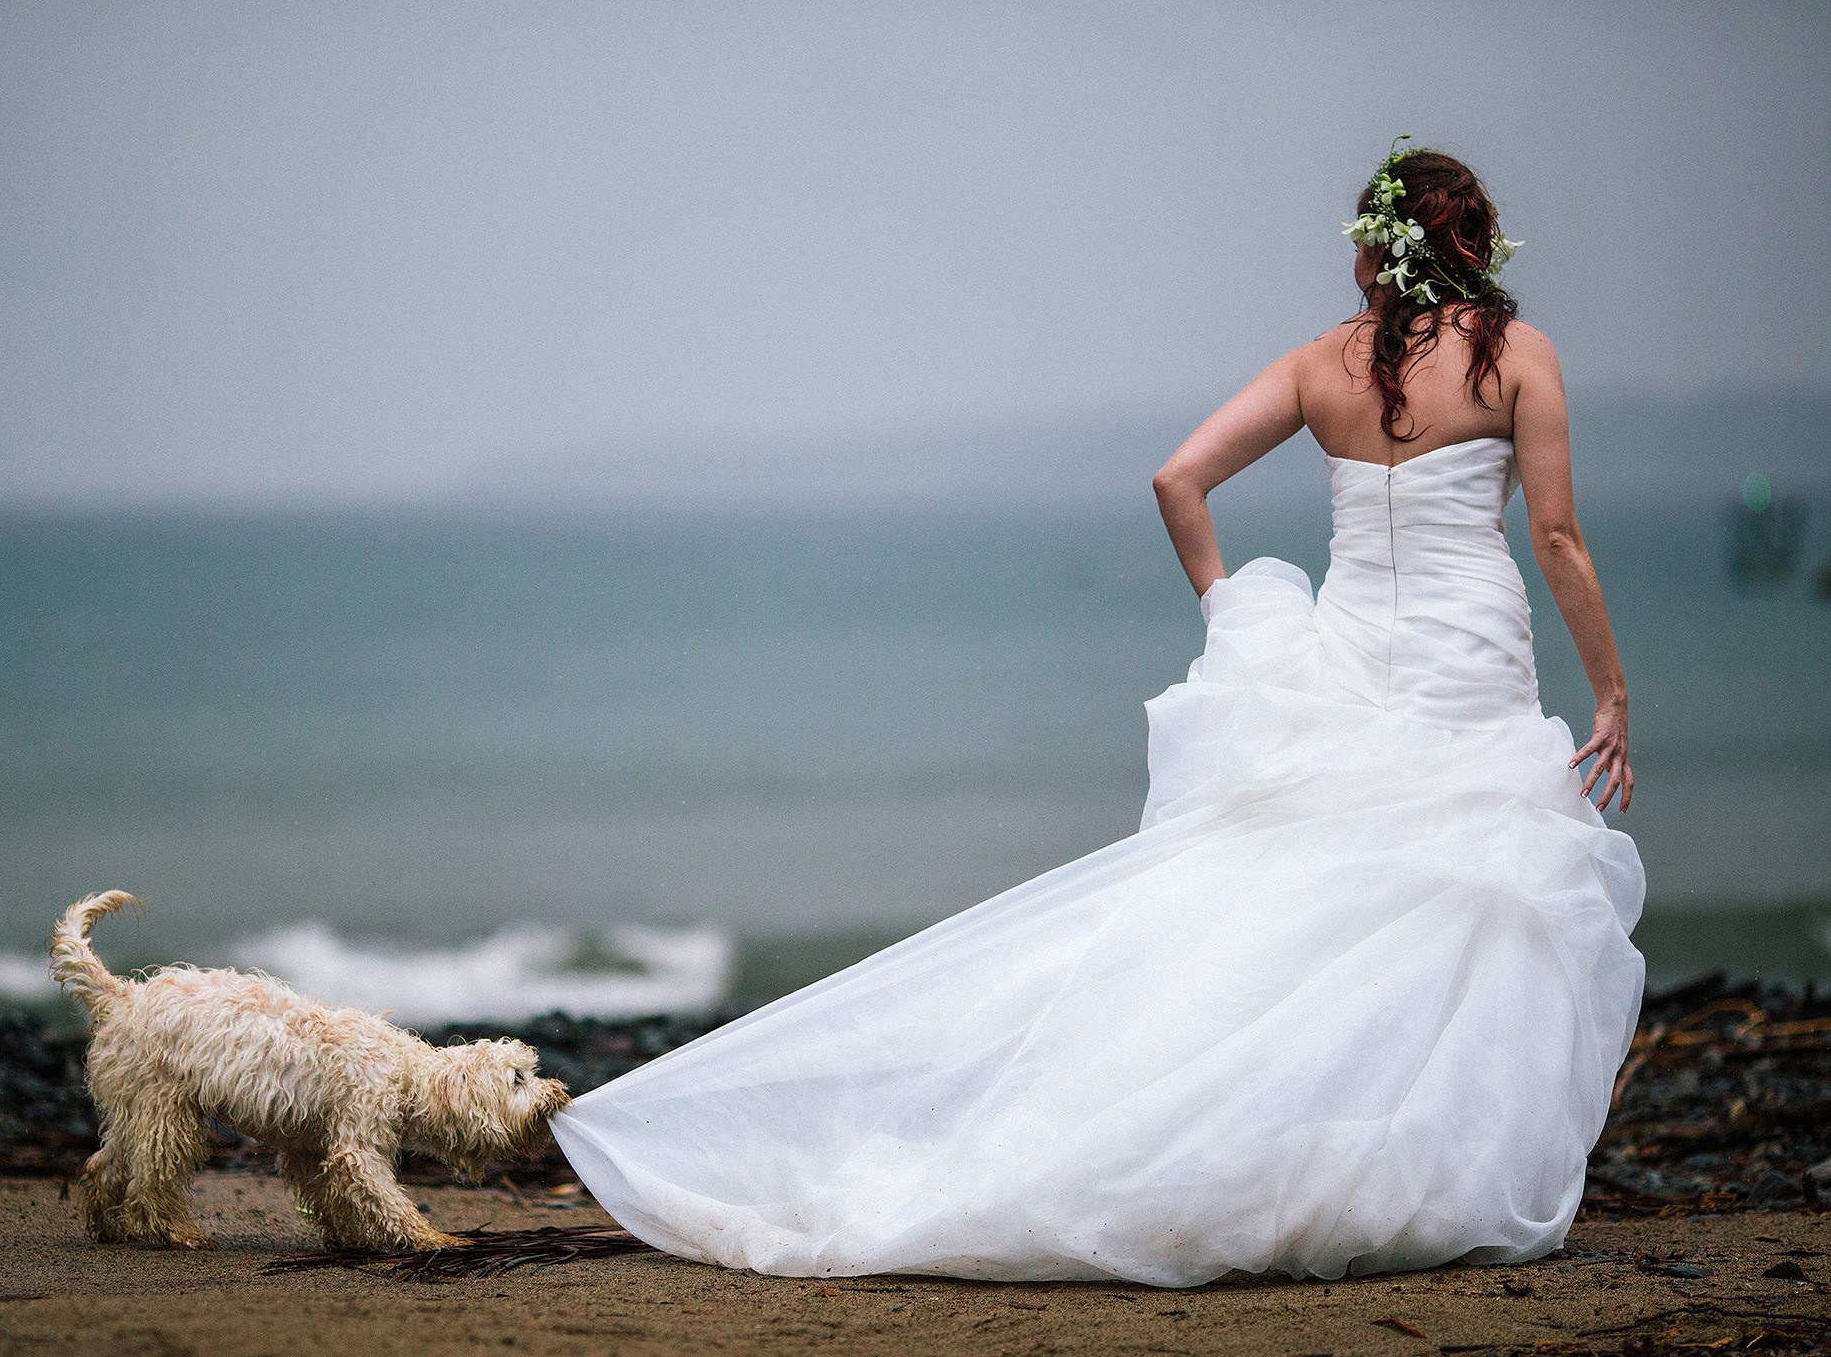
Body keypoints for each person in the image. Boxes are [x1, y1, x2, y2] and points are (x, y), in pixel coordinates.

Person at [549, 140, 1646, 1287]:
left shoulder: (1320, 365)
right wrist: (1610, 689)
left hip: (1342, 655)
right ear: (1472, 241)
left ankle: (1274, 1152)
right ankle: (1415, 1170)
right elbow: (1556, 536)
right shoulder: (1518, 356)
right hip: (1467, 663)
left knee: (1303, 905)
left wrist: (1231, 611)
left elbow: (1179, 478)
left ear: (1380, 245)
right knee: (1450, 903)